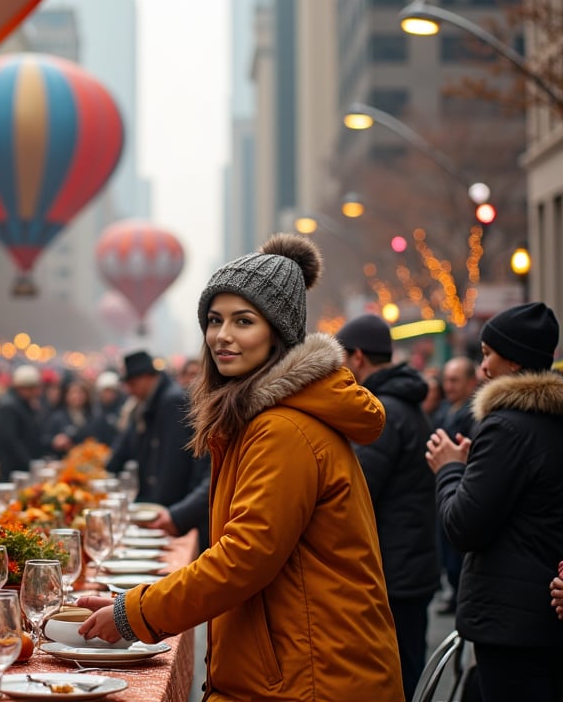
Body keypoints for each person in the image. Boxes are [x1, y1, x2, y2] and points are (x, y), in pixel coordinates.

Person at [78, 234, 404, 699]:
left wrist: (136, 613)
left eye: (243, 321)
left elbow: (243, 558)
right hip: (298, 669)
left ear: (279, 332)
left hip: (313, 679)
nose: (222, 336)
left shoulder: (282, 428)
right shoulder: (257, 418)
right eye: (214, 320)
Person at [426, 302, 563, 702]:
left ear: (514, 360)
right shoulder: (548, 422)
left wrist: (449, 469)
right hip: (542, 619)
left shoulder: (504, 426)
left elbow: (463, 526)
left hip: (510, 626)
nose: (482, 368)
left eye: (488, 354)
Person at [337, 313, 440, 701]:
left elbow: (357, 490)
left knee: (395, 677)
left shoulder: (382, 412)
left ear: (358, 357)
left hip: (395, 570)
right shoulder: (403, 404)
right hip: (410, 564)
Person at [107, 350, 210, 548]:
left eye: (132, 383)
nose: (129, 390)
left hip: (171, 508)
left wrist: (168, 512)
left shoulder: (171, 400)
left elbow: (172, 463)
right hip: (171, 507)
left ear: (146, 377)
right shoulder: (155, 400)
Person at [435, 356, 480, 616]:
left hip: (459, 489)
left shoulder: (472, 415)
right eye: (446, 380)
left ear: (470, 382)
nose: (448, 386)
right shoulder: (445, 410)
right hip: (444, 487)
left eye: (455, 380)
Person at [0, 364, 48, 480]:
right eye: (33, 388)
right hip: (12, 471)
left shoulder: (25, 405)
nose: (37, 392)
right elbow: (10, 441)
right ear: (22, 388)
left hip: (21, 469)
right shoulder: (9, 407)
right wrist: (29, 464)